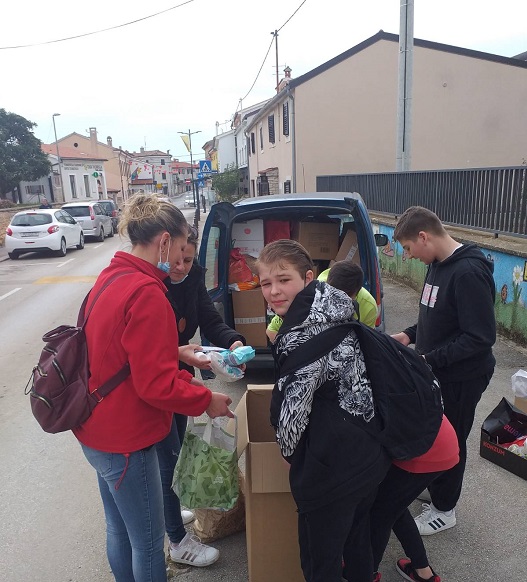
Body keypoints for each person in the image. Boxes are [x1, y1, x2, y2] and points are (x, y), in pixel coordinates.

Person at [73, 194, 233, 582]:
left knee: (120, 531)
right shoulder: (147, 293)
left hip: (96, 427)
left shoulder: (113, 276)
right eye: (180, 249)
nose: (181, 262)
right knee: (147, 543)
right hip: (126, 437)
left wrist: (176, 351)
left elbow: (116, 351)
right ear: (163, 241)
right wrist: (206, 399)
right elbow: (155, 385)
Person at [256, 239, 391, 582]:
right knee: (357, 542)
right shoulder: (339, 308)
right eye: (265, 283)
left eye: (283, 280)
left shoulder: (304, 332)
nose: (273, 291)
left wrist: (290, 454)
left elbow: (292, 422)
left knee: (321, 562)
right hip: (369, 453)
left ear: (308, 276)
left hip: (333, 470)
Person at [391, 206, 496, 536]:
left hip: (463, 378)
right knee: (433, 433)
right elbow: (434, 315)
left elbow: (479, 338)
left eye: (408, 248)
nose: (407, 256)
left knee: (452, 440)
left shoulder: (468, 273)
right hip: (438, 371)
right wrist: (409, 334)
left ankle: (444, 508)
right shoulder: (437, 264)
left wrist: (429, 360)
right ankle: (437, 485)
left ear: (424, 236)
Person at [157, 224, 245, 567]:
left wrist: (233, 341)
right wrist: (200, 392)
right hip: (162, 378)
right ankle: (177, 539)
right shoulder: (153, 284)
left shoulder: (193, 279)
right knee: (166, 461)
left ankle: (171, 511)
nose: (181, 267)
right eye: (178, 259)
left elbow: (209, 319)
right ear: (166, 250)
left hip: (179, 375)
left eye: (189, 260)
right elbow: (152, 351)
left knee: (176, 450)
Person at [346, 414, 459, 582]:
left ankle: (367, 574)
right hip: (441, 437)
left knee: (380, 514)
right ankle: (423, 571)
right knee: (394, 505)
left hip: (423, 449)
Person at [265, 260, 377, 343]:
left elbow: (366, 342)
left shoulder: (369, 307)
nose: (338, 306)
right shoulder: (311, 296)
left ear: (356, 294)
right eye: (332, 298)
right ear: (327, 287)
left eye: (344, 301)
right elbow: (271, 331)